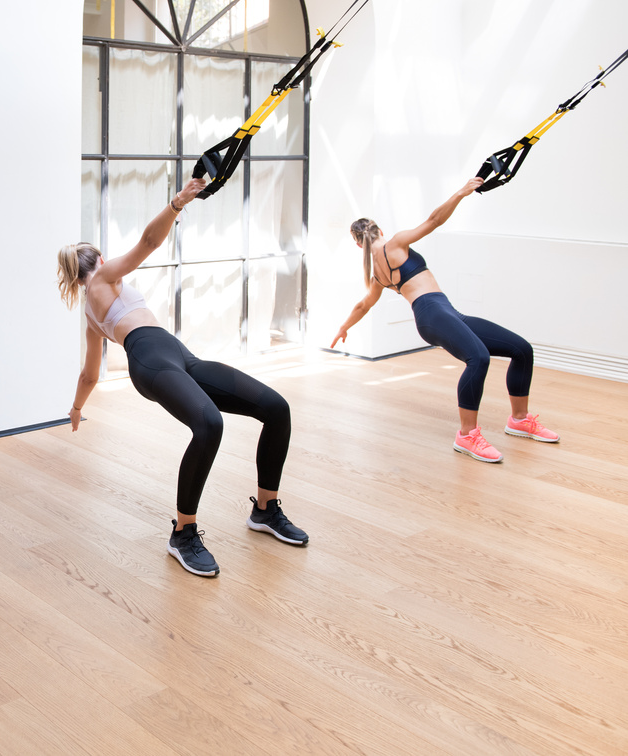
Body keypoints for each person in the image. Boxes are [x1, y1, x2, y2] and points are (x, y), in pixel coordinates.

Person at [57, 178, 308, 578]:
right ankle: (183, 532)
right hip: (152, 362)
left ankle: (265, 510)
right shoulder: (103, 282)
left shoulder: (91, 316)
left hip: (180, 356)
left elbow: (89, 374)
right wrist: (176, 204)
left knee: (276, 408)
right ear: (100, 262)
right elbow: (149, 243)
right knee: (209, 423)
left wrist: (75, 408)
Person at [332, 176, 559, 463]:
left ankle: (519, 419)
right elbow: (434, 219)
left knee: (521, 349)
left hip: (445, 313)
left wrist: (343, 327)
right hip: (432, 313)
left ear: (357, 245)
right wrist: (462, 192)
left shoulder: (376, 274)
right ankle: (467, 435)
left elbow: (364, 305)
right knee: (479, 358)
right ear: (379, 230)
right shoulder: (395, 243)